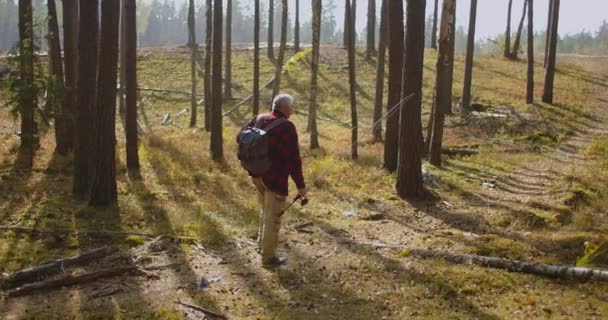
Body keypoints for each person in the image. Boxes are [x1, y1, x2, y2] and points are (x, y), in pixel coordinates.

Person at [240, 94, 307, 267]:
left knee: (265, 211)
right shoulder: (286, 127)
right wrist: (301, 186)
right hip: (275, 179)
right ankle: (268, 258)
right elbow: (294, 159)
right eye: (291, 107)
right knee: (273, 216)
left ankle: (262, 247)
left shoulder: (258, 118)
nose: (292, 111)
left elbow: (240, 138)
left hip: (256, 175)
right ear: (285, 108)